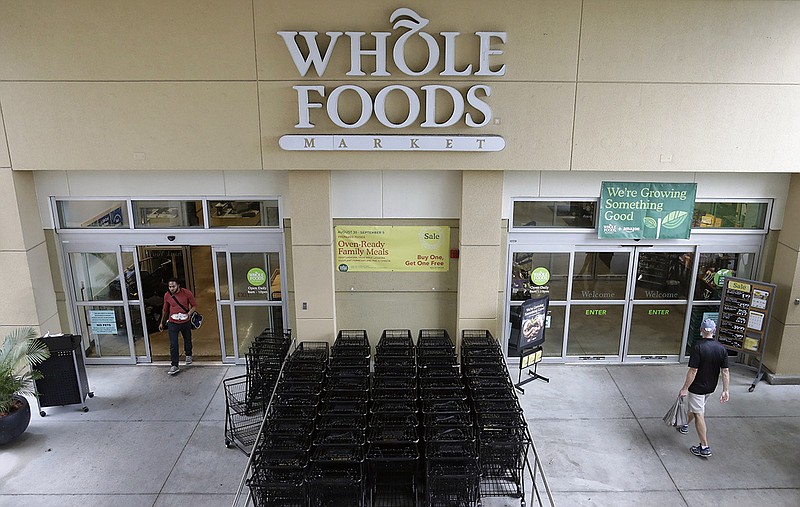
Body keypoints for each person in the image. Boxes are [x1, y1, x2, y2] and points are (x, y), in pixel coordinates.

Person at [678, 318, 730, 457]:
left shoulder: (698, 346)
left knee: (699, 413)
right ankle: (684, 424)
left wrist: (685, 388)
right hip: (710, 387)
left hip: (697, 388)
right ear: (714, 331)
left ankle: (704, 447)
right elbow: (725, 371)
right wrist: (725, 390)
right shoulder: (721, 348)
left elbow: (693, 371)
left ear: (701, 330)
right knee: (696, 409)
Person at [158, 278, 196, 375]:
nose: (171, 288)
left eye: (173, 286)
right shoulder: (167, 295)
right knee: (173, 344)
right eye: (170, 286)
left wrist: (189, 313)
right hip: (173, 322)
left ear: (178, 285)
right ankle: (174, 365)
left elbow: (194, 305)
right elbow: (165, 310)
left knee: (187, 339)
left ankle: (188, 354)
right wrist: (162, 322)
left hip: (185, 321)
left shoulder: (187, 293)